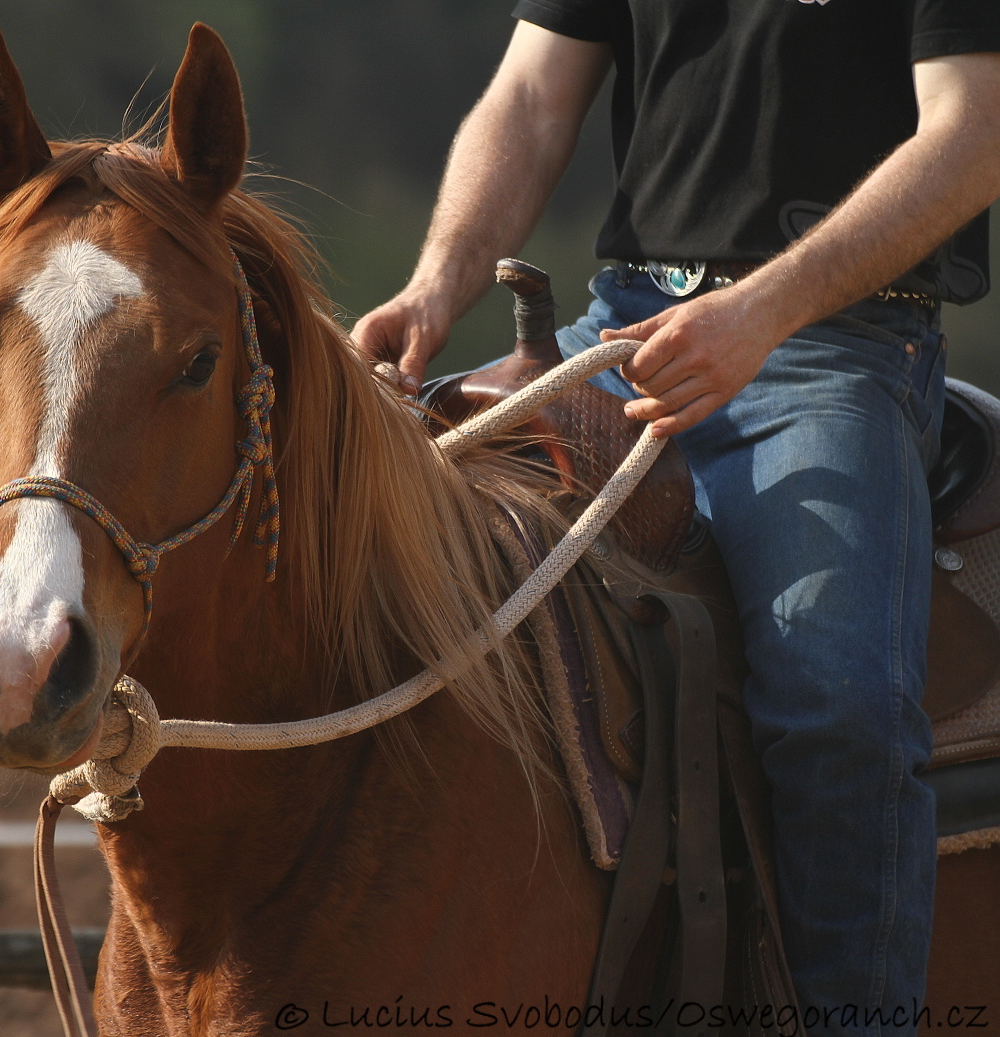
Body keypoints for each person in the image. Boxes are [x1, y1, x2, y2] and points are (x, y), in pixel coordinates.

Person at [351, 2, 1000, 1030]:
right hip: (619, 328)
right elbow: (528, 94)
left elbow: (972, 132)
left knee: (841, 703)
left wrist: (762, 309)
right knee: (372, 586)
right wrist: (437, 284)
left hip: (834, 344)